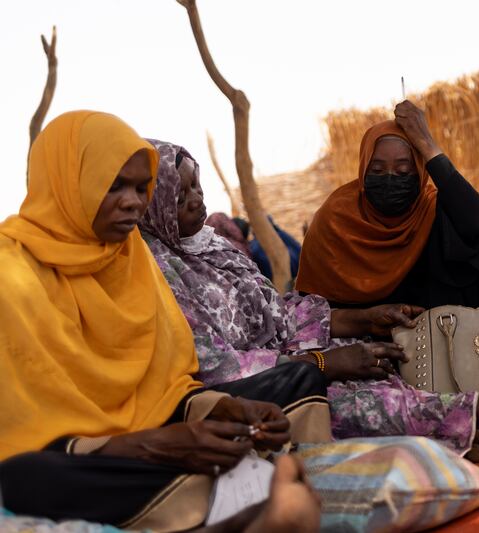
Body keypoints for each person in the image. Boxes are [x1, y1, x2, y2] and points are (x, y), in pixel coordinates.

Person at [140, 139, 479, 461]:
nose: (196, 200)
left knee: (393, 368)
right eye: (180, 196)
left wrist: (365, 318)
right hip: (258, 388)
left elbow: (279, 313)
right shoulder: (160, 275)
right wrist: (325, 364)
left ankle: (474, 418)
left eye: (197, 187)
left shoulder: (213, 249)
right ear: (153, 207)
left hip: (301, 356)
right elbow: (218, 368)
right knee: (359, 400)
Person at [0, 111, 321, 532]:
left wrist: (225, 409)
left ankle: (226, 498)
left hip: (158, 434)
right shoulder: (11, 272)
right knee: (24, 478)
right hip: (80, 453)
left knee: (299, 381)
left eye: (140, 187)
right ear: (64, 183)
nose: (134, 200)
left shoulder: (130, 255)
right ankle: (236, 509)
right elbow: (24, 429)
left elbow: (168, 383)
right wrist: (148, 447)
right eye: (113, 185)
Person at [295, 100, 479, 309]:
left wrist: (427, 145)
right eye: (377, 170)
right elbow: (311, 312)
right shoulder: (336, 217)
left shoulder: (431, 208)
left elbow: (475, 224)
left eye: (403, 171)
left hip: (441, 336)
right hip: (361, 342)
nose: (390, 178)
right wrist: (365, 321)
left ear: (420, 172)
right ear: (363, 170)